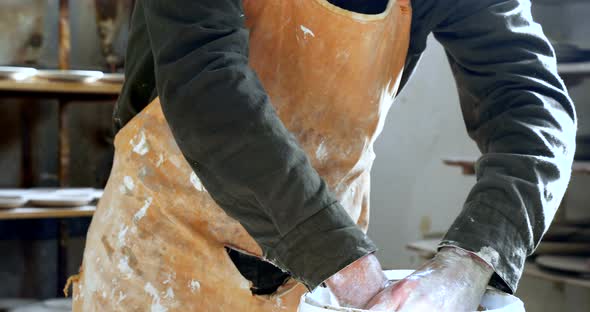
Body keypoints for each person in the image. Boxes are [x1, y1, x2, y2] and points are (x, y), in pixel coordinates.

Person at [74, 0, 576, 311]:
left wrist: (467, 266)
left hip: (328, 275)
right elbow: (207, 85)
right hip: (161, 250)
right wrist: (344, 265)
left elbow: (530, 100)